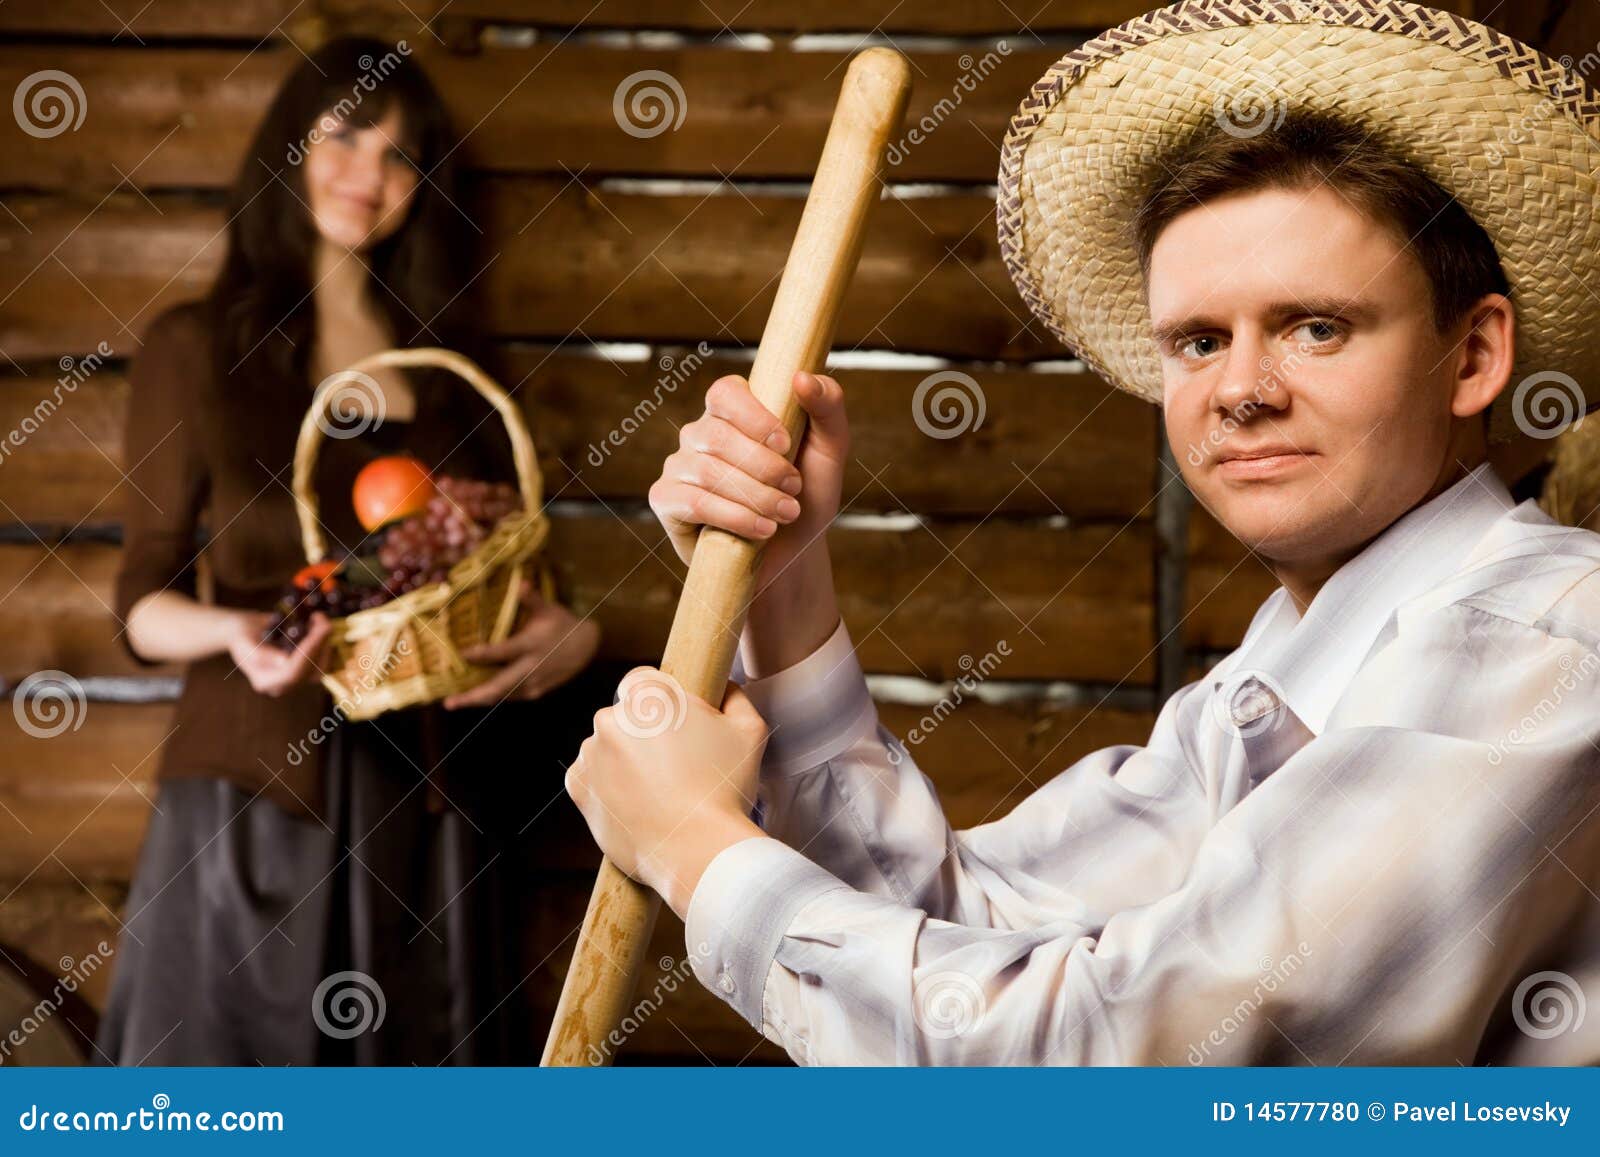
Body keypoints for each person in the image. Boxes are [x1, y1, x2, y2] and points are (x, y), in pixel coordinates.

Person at [563, 1, 1600, 1064]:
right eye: (1198, 340)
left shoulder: (1541, 640)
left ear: (1472, 356)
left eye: (1315, 326)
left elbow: (1106, 1056)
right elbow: (972, 923)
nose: (1239, 390)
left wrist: (693, 843)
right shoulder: (1259, 694)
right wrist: (782, 578)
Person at [98, 36, 605, 1065]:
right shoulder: (195, 347)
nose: (366, 176)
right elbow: (141, 600)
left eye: (400, 156)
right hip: (254, 795)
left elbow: (509, 573)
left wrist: (575, 637)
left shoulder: (456, 371)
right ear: (290, 145)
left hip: (430, 811)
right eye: (343, 137)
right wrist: (242, 629)